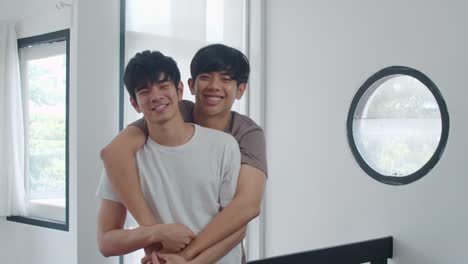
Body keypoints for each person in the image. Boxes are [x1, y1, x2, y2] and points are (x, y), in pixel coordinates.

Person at [100, 44, 268, 263]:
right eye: (206, 77)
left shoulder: (241, 137)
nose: (215, 86)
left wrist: (187, 259)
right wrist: (155, 234)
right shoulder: (170, 114)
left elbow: (244, 210)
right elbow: (112, 152)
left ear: (241, 90)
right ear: (189, 86)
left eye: (226, 79)